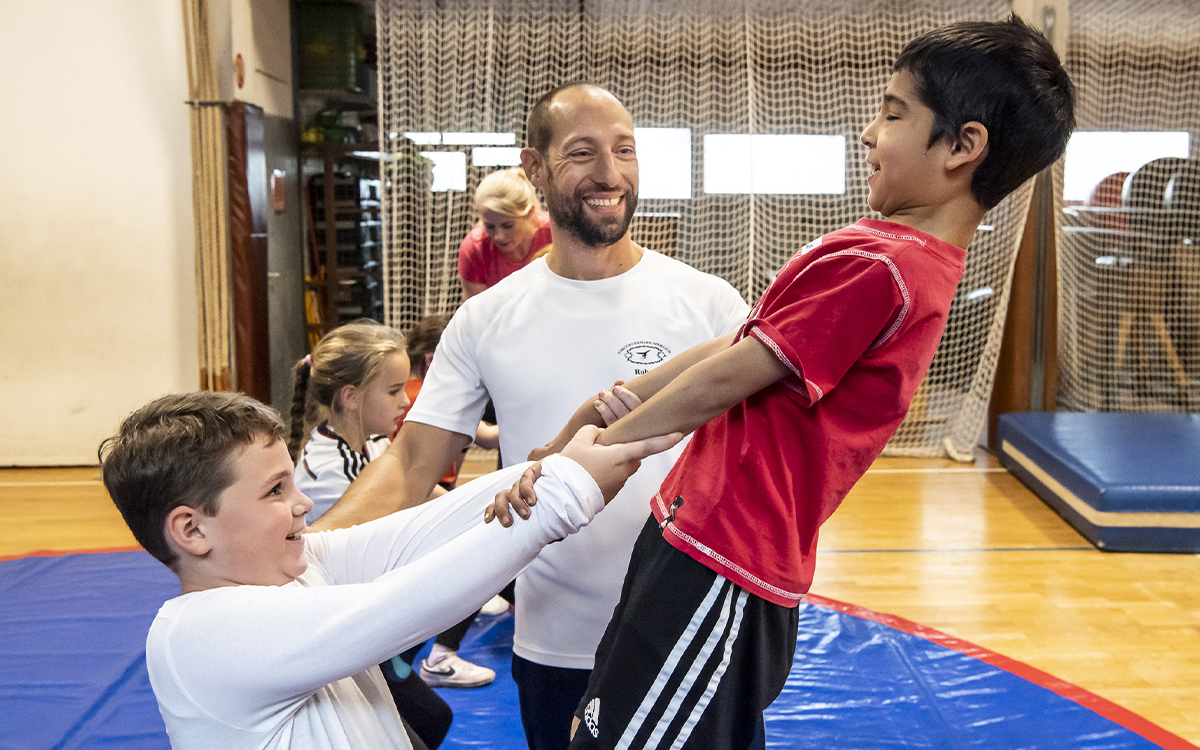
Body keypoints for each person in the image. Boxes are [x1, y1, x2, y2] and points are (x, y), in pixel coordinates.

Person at [488, 17, 1076, 750]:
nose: (869, 133)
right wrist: (608, 410)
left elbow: (728, 378)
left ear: (963, 146)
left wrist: (598, 450)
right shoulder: (880, 247)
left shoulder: (887, 268)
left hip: (723, 562)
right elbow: (735, 343)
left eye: (894, 114)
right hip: (696, 538)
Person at [314, 83, 750, 750]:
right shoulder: (485, 318)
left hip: (689, 637)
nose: (609, 173)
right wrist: (308, 555)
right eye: (582, 153)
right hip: (556, 645)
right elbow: (410, 462)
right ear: (535, 168)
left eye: (624, 150)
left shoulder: (709, 303)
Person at [98, 390, 682, 750]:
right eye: (275, 491)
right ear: (192, 530)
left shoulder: (297, 567)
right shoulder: (201, 636)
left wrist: (550, 465)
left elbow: (425, 530)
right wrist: (565, 492)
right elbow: (405, 604)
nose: (302, 504)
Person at [287, 320, 458, 747]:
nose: (406, 401)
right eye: (394, 390)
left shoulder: (375, 444)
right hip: (338, 635)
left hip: (367, 618)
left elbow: (429, 493)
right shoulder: (330, 471)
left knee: (433, 719)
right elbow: (394, 537)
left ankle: (399, 660)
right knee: (424, 726)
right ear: (351, 397)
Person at [402, 313, 508, 689]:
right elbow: (412, 480)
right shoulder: (422, 399)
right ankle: (439, 656)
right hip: (419, 504)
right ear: (434, 359)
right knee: (487, 559)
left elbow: (488, 437)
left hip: (427, 497)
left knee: (500, 561)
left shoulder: (428, 396)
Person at [458, 166, 553, 299]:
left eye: (508, 225)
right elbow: (476, 309)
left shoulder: (556, 233)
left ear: (530, 213)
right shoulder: (475, 247)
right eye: (489, 226)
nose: (499, 236)